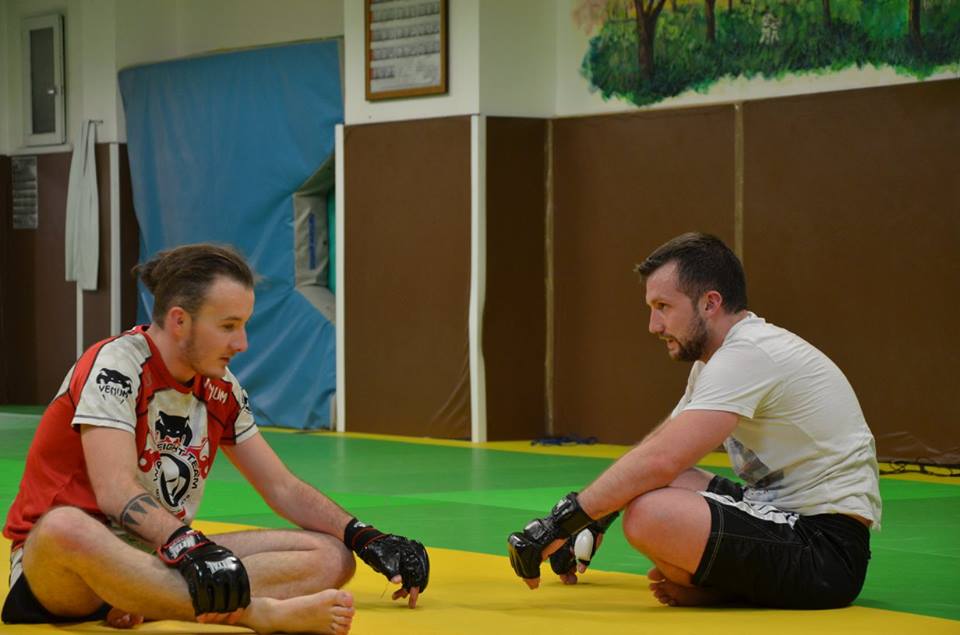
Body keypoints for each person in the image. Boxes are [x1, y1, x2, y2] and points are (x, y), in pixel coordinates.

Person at [2, 243, 429, 634]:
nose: (242, 343)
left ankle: (147, 599)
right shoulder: (116, 367)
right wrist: (186, 544)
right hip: (69, 567)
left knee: (331, 556)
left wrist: (362, 535)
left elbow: (281, 486)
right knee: (63, 527)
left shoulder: (221, 388)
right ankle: (252, 612)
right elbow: (115, 491)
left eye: (243, 326)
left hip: (158, 556)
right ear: (179, 320)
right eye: (228, 326)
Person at [507, 232, 881, 610]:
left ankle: (728, 587)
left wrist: (559, 525)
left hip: (825, 554)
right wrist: (597, 519)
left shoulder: (749, 354)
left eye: (663, 307)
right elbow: (657, 451)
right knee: (654, 481)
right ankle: (729, 587)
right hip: (775, 515)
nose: (654, 325)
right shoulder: (716, 361)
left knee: (649, 516)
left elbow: (661, 460)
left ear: (710, 303)